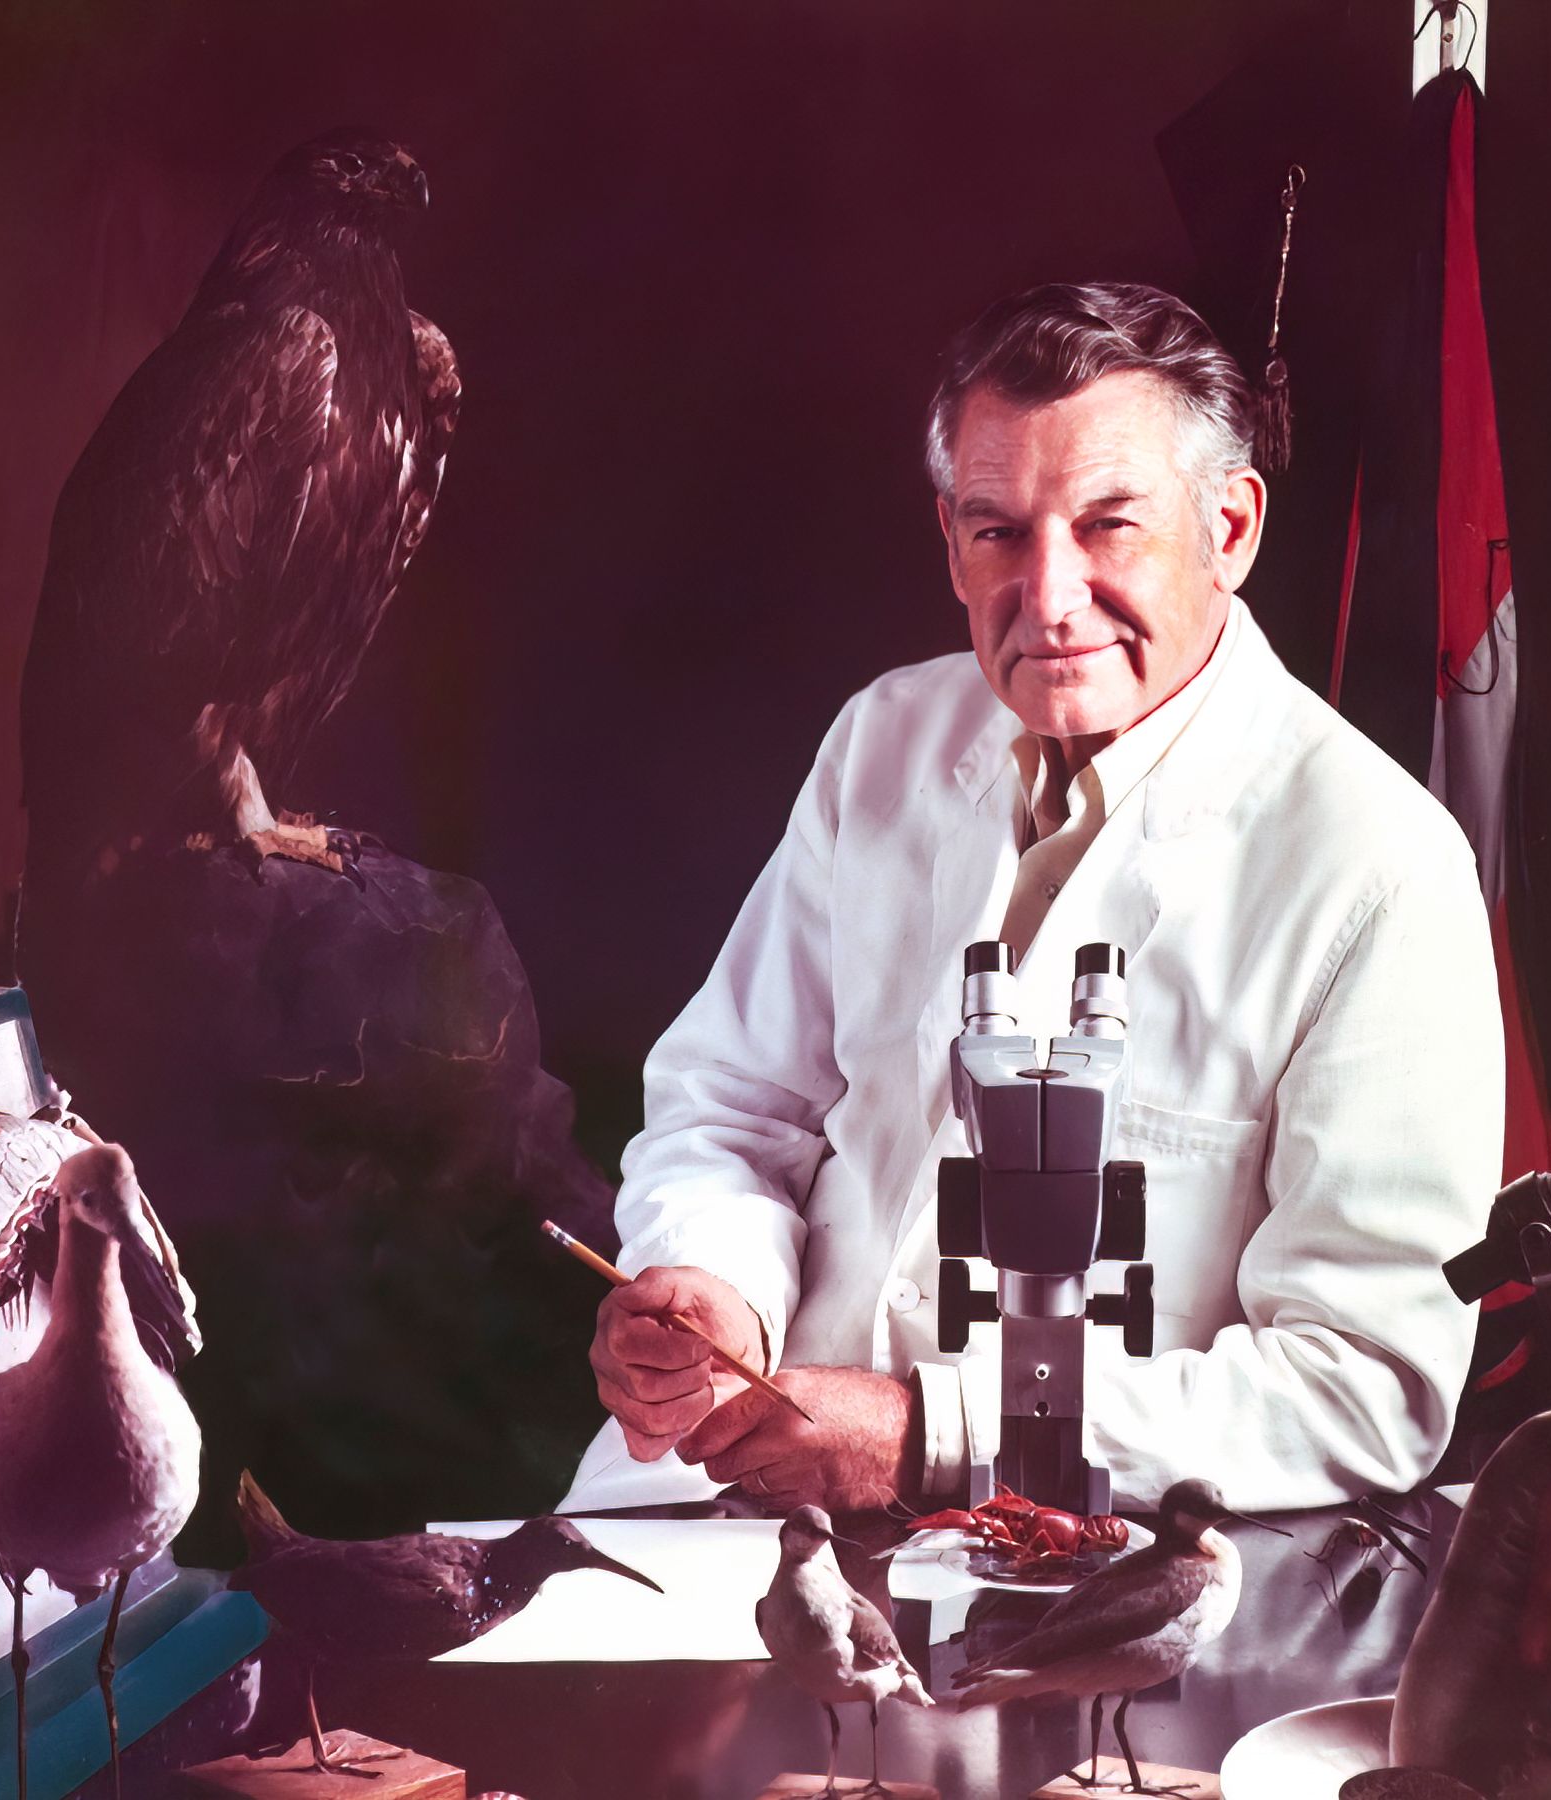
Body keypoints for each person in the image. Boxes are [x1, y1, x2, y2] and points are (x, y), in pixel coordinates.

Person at [561, 282, 1503, 1516]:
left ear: (1230, 528)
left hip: (1081, 1555)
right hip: (729, 1503)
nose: (1050, 599)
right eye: (1000, 532)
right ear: (950, 536)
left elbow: (1362, 1381)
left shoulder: (1378, 867)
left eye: (1111, 526)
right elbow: (736, 1106)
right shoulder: (883, 741)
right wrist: (710, 1286)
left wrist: (934, 1434)